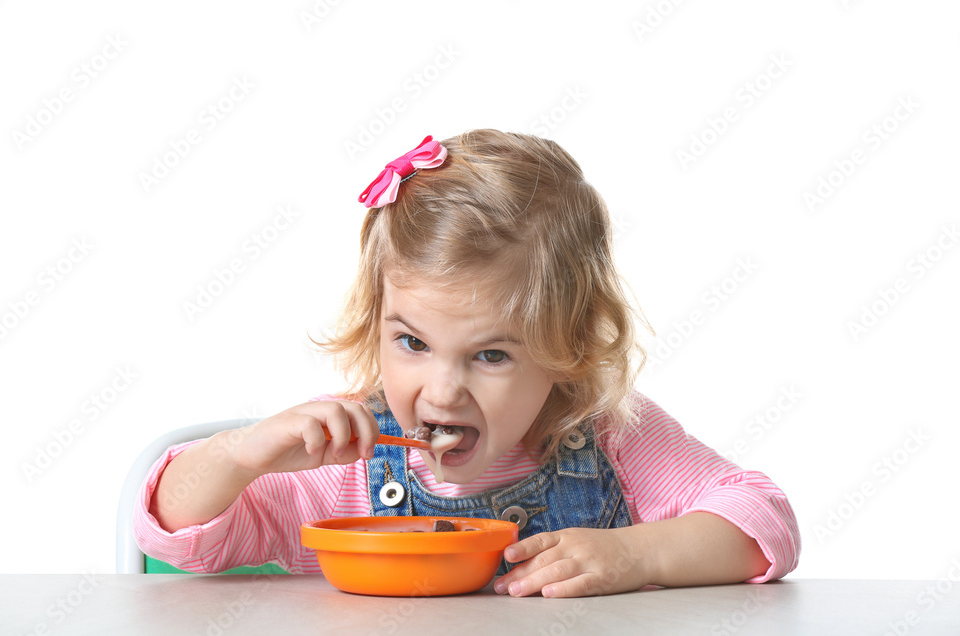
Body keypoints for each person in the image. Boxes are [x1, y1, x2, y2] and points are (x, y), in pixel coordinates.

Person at [134, 129, 800, 598]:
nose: (443, 390)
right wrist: (236, 454)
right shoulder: (348, 470)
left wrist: (635, 553)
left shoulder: (611, 438)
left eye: (490, 354)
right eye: (413, 344)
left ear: (567, 349)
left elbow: (764, 521)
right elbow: (178, 537)